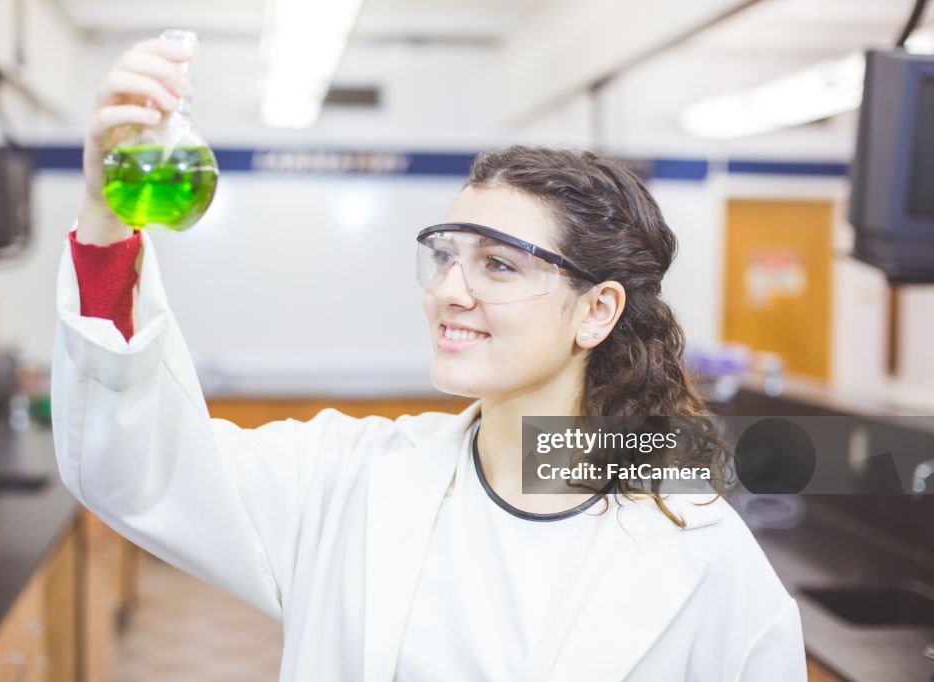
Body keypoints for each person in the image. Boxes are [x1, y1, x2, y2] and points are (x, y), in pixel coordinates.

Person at [52, 38, 807, 682]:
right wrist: (106, 224)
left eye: (500, 266)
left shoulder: (703, 556)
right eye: (446, 256)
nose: (449, 290)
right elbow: (141, 461)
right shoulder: (348, 481)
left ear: (596, 311)